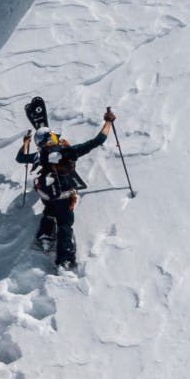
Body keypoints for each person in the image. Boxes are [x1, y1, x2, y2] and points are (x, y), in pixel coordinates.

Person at [16, 107, 115, 269]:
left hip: (45, 195)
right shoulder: (69, 151)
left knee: (49, 212)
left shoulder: (39, 156)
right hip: (63, 196)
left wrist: (25, 144)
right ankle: (65, 259)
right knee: (65, 224)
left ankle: (45, 237)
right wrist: (108, 122)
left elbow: (19, 158)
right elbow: (99, 140)